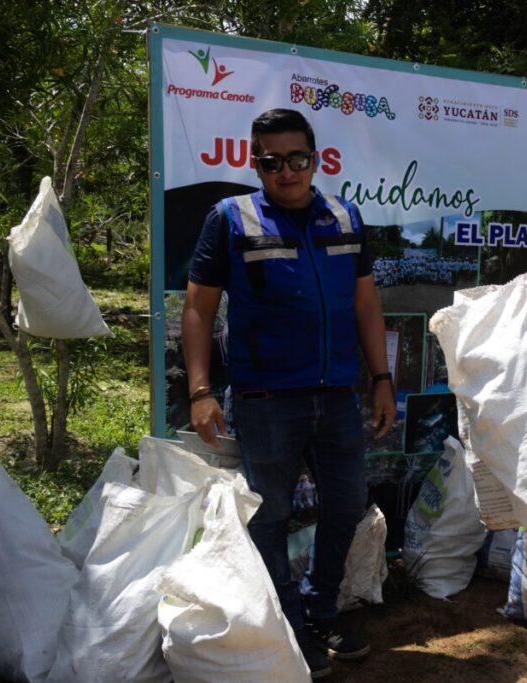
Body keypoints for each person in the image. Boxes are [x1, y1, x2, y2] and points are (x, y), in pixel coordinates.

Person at [182, 108, 396, 680]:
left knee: (348, 504)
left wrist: (381, 380)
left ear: (316, 158)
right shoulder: (230, 219)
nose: (286, 172)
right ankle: (293, 627)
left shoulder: (344, 217)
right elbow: (198, 310)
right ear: (256, 163)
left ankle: (320, 608)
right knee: (270, 515)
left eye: (297, 159)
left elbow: (366, 305)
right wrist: (201, 390)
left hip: (336, 397)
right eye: (272, 162)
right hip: (266, 400)